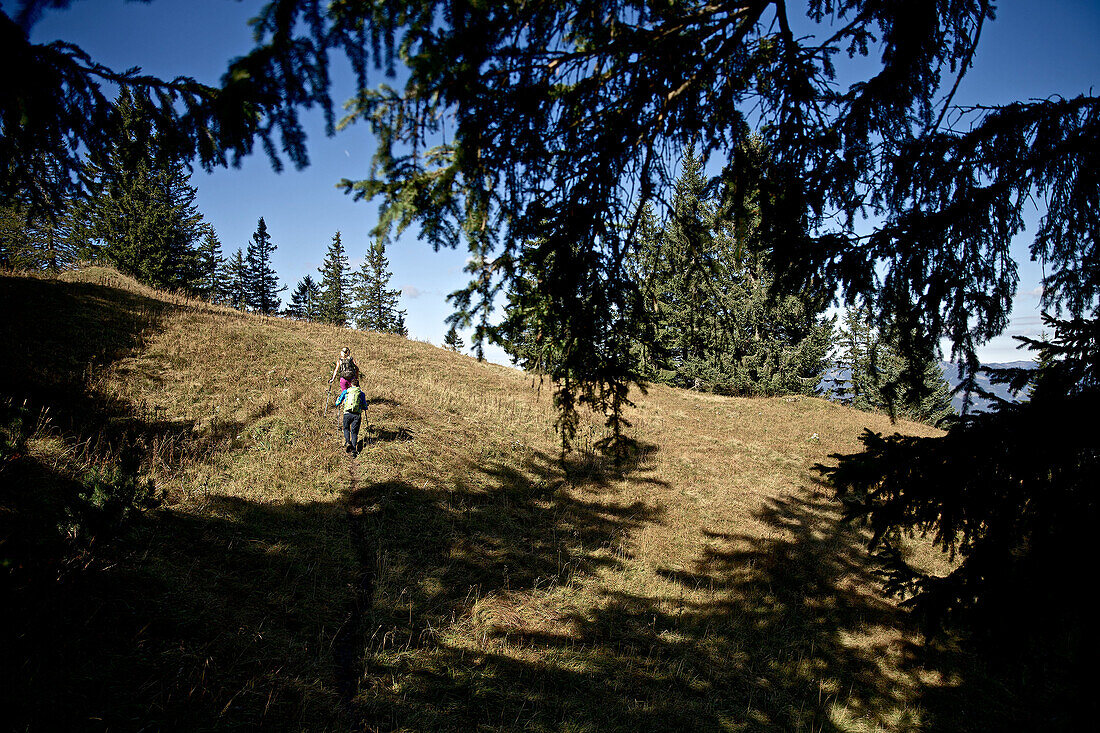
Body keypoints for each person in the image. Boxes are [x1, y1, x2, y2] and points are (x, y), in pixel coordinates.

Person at [334, 379, 369, 456]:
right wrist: (365, 407)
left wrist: (337, 402)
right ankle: (354, 450)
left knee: (346, 428)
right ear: (358, 385)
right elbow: (365, 406)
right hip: (357, 415)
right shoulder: (361, 393)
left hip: (347, 413)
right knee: (354, 432)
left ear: (350, 384)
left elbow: (338, 402)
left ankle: (347, 442)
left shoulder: (346, 391)